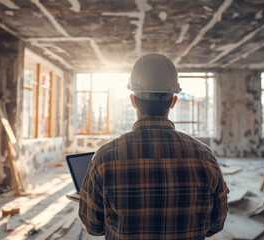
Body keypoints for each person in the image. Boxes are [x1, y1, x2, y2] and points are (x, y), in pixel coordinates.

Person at [79, 54, 228, 240]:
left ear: (133, 101)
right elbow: (216, 223)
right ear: (172, 102)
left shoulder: (105, 157)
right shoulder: (205, 157)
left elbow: (93, 226)